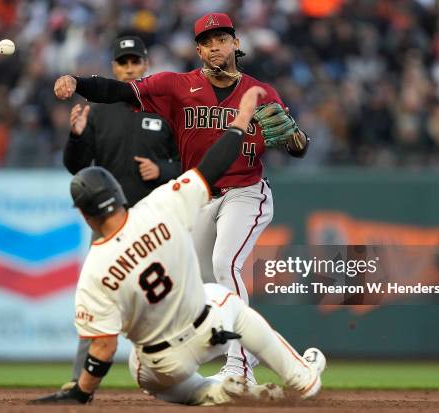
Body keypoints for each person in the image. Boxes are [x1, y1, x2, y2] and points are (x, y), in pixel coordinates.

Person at [52, 13, 309, 383]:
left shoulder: (261, 92)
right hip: (203, 197)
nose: (215, 46)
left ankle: (239, 365)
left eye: (222, 38)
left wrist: (296, 139)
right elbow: (120, 91)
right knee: (202, 283)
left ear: (236, 43)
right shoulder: (176, 86)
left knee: (225, 263)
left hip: (245, 192)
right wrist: (77, 82)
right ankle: (239, 350)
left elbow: (296, 146)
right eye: (207, 41)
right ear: (198, 50)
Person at [32, 86, 325, 406]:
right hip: (205, 331)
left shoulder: (94, 270)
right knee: (225, 298)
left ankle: (210, 393)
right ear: (117, 193)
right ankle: (302, 377)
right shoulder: (161, 206)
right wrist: (240, 120)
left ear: (86, 215)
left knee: (140, 369)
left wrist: (82, 391)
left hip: (160, 365)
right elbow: (212, 167)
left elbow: (103, 349)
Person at [63, 35, 180, 386]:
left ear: (147, 64)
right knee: (97, 304)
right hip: (109, 225)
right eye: (123, 62)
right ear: (114, 67)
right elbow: (77, 167)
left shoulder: (165, 108)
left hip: (155, 222)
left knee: (165, 304)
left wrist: (164, 170)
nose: (129, 68)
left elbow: (191, 161)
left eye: (135, 61)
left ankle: (175, 378)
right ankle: (79, 382)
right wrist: (77, 136)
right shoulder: (97, 111)